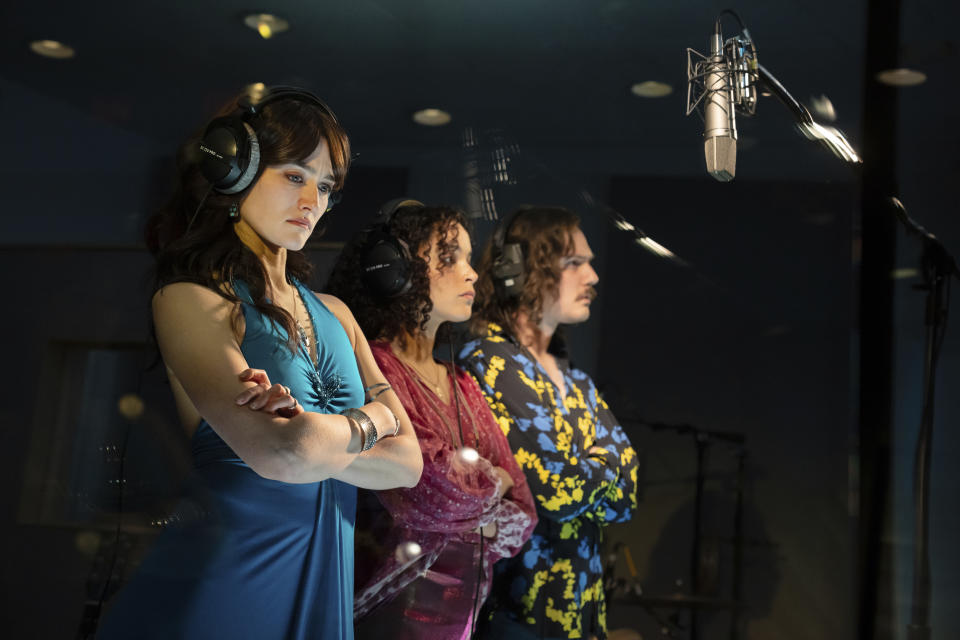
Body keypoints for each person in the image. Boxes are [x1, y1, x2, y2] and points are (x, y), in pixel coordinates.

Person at [98, 87, 423, 640]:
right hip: (221, 588)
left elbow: (409, 466)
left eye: (324, 187)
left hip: (323, 582)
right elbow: (282, 454)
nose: (312, 201)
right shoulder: (189, 299)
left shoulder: (338, 314)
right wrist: (378, 422)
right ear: (236, 170)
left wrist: (312, 437)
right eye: (294, 175)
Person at [326, 201, 537, 640]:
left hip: (460, 622)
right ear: (395, 270)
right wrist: (490, 488)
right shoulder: (373, 369)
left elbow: (523, 516)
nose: (472, 272)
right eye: (448, 257)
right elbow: (426, 487)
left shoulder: (463, 385)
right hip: (386, 614)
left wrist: (482, 498)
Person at [459, 206, 639, 640]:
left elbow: (627, 495)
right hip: (516, 615)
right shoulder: (490, 362)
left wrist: (588, 469)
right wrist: (604, 461)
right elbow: (557, 492)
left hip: (581, 615)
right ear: (519, 272)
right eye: (574, 262)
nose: (592, 277)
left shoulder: (575, 378)